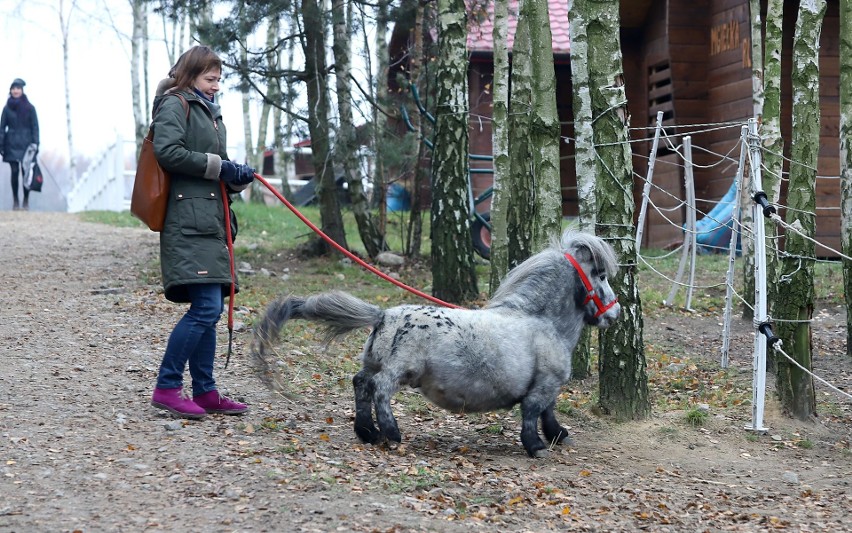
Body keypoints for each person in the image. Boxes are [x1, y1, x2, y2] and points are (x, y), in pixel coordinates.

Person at [149, 45, 256, 419]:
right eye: (211, 79)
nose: (216, 86)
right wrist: (220, 167)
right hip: (187, 220)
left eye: (219, 80)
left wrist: (236, 177)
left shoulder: (209, 111)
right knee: (207, 307)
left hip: (210, 219)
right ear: (191, 75)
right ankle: (167, 387)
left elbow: (214, 168)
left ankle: (206, 391)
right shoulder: (174, 104)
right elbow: (168, 152)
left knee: (210, 308)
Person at [0, 78, 39, 211]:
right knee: (14, 171)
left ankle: (26, 200)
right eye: (13, 88)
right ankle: (16, 200)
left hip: (27, 145)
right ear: (10, 91)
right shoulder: (6, 109)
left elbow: (35, 127)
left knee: (26, 172)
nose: (15, 91)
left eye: (18, 88)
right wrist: (1, 145)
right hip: (11, 144)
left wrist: (35, 143)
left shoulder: (30, 108)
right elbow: (1, 128)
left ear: (22, 90)